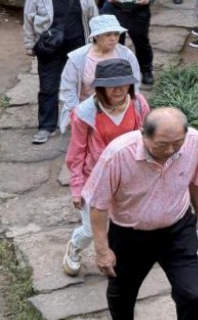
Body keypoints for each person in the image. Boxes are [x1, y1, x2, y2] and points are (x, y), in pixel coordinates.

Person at [84, 107, 198, 320]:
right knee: (121, 288)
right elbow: (97, 203)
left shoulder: (193, 142)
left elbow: (196, 179)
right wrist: (101, 248)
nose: (170, 151)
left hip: (178, 228)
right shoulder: (118, 155)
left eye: (176, 144)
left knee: (191, 295)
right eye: (162, 145)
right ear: (144, 135)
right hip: (130, 233)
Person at [61, 58, 151, 277]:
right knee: (91, 228)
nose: (119, 89)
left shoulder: (139, 104)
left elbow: (148, 140)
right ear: (100, 86)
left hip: (128, 176)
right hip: (96, 177)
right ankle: (74, 247)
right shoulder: (85, 113)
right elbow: (76, 153)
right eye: (112, 84)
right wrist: (76, 187)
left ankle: (117, 256)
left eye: (124, 83)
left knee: (125, 223)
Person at [23, 0, 97, 144]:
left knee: (84, 87)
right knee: (48, 88)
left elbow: (93, 18)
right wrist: (29, 44)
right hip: (49, 49)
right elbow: (28, 20)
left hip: (78, 49)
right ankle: (46, 126)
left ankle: (84, 122)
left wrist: (97, 42)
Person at [58, 14, 142, 129]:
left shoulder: (126, 54)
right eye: (108, 34)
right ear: (96, 36)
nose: (113, 38)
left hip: (119, 109)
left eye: (116, 34)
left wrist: (132, 106)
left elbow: (135, 83)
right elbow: (68, 88)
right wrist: (76, 113)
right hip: (88, 110)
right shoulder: (78, 58)